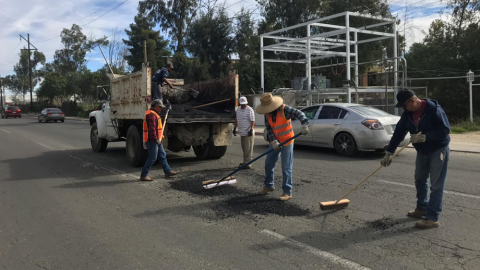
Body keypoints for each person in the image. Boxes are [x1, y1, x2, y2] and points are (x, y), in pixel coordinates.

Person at [382, 89, 450, 229]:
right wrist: (389, 152)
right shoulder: (408, 114)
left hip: (438, 151)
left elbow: (444, 131)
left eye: (404, 105)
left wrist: (425, 137)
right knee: (420, 179)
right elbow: (399, 133)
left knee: (436, 185)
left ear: (412, 101)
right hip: (422, 152)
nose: (403, 108)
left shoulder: (433, 110)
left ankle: (432, 218)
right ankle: (422, 208)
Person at [255, 93, 309, 201]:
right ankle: (269, 185)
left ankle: (287, 192)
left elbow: (299, 113)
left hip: (287, 141)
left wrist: (305, 124)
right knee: (268, 163)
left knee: (286, 167)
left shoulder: (285, 110)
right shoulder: (267, 114)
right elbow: (269, 130)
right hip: (276, 142)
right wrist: (273, 141)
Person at [140, 99, 178, 181]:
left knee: (162, 155)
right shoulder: (151, 115)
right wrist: (155, 139)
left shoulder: (154, 114)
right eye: (160, 107)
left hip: (157, 140)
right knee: (153, 157)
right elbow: (152, 129)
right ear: (156, 106)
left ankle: (167, 171)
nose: (161, 109)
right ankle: (144, 175)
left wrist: (159, 139)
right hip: (152, 140)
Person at [234, 96, 255, 169]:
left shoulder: (250, 110)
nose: (243, 106)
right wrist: (234, 128)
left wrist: (251, 129)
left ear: (247, 103)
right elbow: (236, 119)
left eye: (244, 104)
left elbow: (252, 121)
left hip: (248, 132)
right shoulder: (238, 110)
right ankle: (245, 162)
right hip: (241, 132)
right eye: (242, 104)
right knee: (244, 148)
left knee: (248, 149)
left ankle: (248, 163)